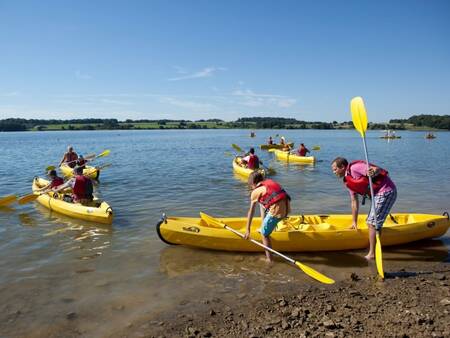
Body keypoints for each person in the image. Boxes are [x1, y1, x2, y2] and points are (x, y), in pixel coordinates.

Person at [331, 157, 397, 260]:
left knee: (371, 223)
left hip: (386, 191)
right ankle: (373, 246)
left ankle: (372, 254)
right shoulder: (348, 181)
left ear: (342, 167)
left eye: (335, 169)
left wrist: (375, 170)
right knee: (372, 222)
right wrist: (354, 221)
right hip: (377, 195)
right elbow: (354, 201)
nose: (333, 172)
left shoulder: (355, 168)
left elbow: (377, 169)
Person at [244, 172, 291, 262]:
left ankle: (269, 259)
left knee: (264, 234)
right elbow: (263, 205)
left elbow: (251, 211)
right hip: (287, 208)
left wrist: (247, 230)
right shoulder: (268, 183)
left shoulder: (255, 192)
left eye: (250, 186)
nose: (251, 188)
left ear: (253, 183)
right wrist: (263, 223)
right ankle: (267, 226)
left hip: (277, 210)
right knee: (266, 223)